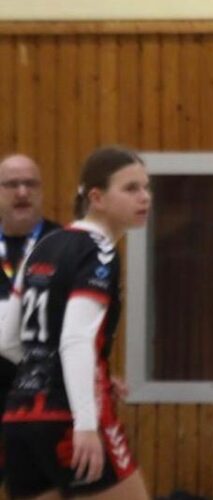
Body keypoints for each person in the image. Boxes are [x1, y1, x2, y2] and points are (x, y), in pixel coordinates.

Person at [0, 146, 152, 500]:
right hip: (68, 418)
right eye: (131, 188)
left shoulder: (41, 246)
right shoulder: (98, 250)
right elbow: (76, 339)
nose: (145, 197)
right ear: (97, 198)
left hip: (19, 416)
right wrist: (85, 422)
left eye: (146, 187)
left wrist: (61, 371)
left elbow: (7, 340)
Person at [0, 154, 62, 486]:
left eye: (30, 184)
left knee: (36, 486)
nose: (22, 192)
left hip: (42, 388)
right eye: (12, 184)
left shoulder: (63, 243)